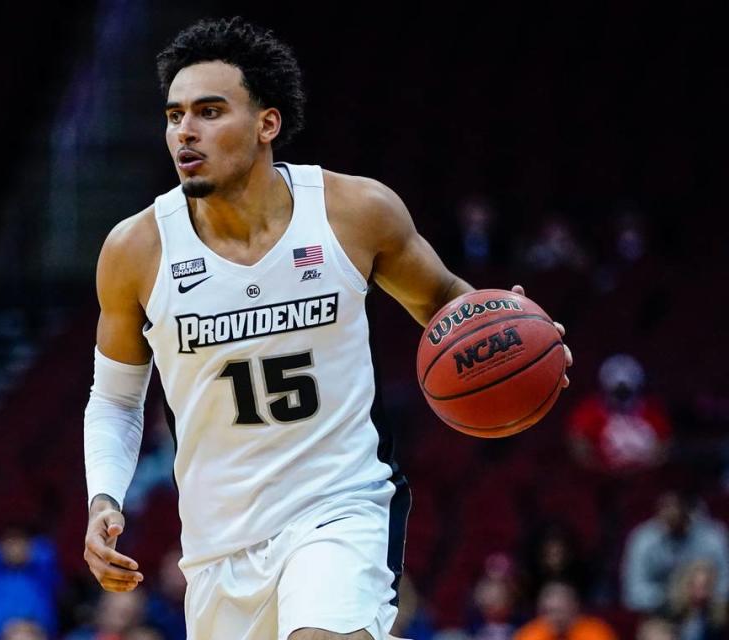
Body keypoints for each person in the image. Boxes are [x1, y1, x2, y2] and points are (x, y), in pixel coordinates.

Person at [81, 16, 572, 640]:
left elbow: (449, 304)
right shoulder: (136, 249)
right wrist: (104, 497)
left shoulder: (353, 212)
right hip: (218, 542)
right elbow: (116, 398)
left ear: (267, 123)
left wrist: (512, 327)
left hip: (341, 503)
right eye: (175, 115)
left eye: (209, 111)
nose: (186, 132)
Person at [621, 491, 729, 615]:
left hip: (706, 611)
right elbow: (633, 594)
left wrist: (703, 595)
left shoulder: (712, 537)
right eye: (665, 507)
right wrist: (673, 596)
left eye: (675, 507)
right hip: (661, 613)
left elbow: (725, 582)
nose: (669, 513)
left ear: (688, 510)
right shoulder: (643, 539)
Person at [567, 353, 671, 473]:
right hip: (603, 481)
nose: (622, 398)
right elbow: (577, 445)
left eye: (625, 392)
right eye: (618, 392)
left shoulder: (652, 411)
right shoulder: (589, 412)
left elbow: (664, 447)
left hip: (644, 480)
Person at [0, 525, 60, 640]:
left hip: (33, 630)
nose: (15, 548)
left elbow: (47, 553)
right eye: (10, 543)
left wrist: (27, 552)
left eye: (20, 542)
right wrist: (2, 553)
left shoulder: (39, 574)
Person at [513, 582, 616, 640]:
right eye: (548, 611)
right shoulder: (529, 635)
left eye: (560, 611)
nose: (555, 617)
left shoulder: (596, 633)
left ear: (574, 608)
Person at [666, 559, 727, 640]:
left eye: (705, 587)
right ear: (686, 586)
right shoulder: (670, 611)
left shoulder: (719, 616)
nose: (700, 593)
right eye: (696, 587)